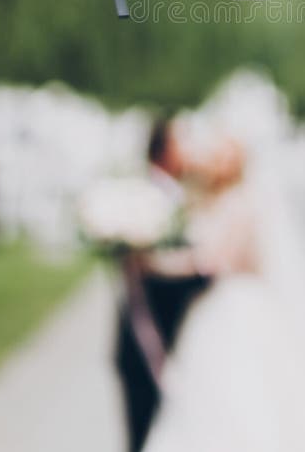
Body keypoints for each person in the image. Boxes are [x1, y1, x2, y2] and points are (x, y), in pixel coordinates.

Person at [114, 119, 211, 452]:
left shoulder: (184, 196)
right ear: (164, 149)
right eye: (181, 141)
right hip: (146, 341)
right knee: (143, 434)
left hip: (182, 340)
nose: (189, 150)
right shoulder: (142, 198)